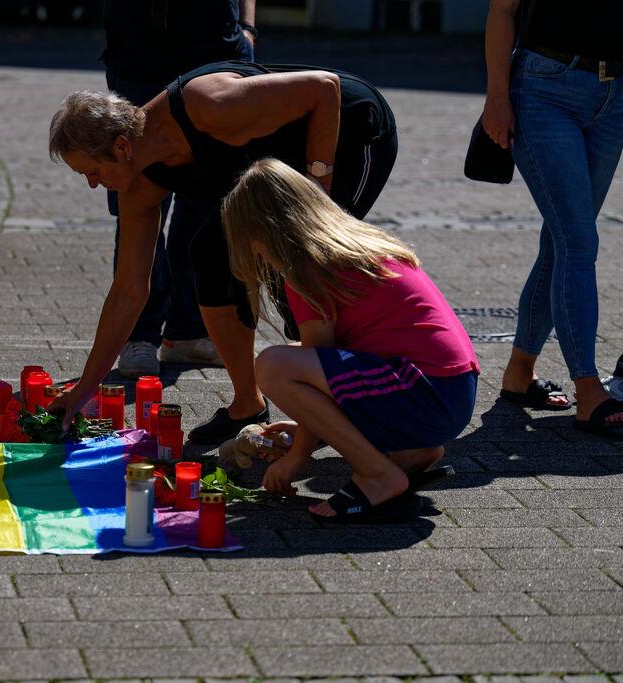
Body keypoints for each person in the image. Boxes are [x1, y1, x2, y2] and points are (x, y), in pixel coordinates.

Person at [47, 60, 397, 443]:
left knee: (308, 274)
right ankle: (248, 404)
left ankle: (370, 410)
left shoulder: (208, 104)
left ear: (121, 146)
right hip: (277, 170)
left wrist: (318, 187)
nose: (93, 186)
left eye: (92, 172)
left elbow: (324, 88)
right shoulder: (138, 185)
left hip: (347, 133)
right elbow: (129, 289)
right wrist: (83, 390)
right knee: (211, 257)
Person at [221, 158, 479, 521]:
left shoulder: (307, 267)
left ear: (266, 231)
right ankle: (411, 455)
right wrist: (311, 426)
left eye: (252, 242)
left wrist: (297, 459)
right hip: (452, 392)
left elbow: (315, 362)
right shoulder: (354, 245)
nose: (256, 253)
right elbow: (334, 363)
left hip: (425, 392)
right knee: (296, 358)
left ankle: (378, 475)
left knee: (274, 365)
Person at [483, 0, 623, 433]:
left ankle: (518, 374)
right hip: (545, 87)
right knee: (579, 242)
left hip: (614, 90)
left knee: (561, 240)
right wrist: (497, 98)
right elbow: (502, 11)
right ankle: (588, 391)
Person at [102, 0, 258, 378]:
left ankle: (187, 332)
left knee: (208, 199)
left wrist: (247, 27)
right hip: (140, 57)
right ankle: (140, 335)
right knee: (137, 197)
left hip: (217, 52)